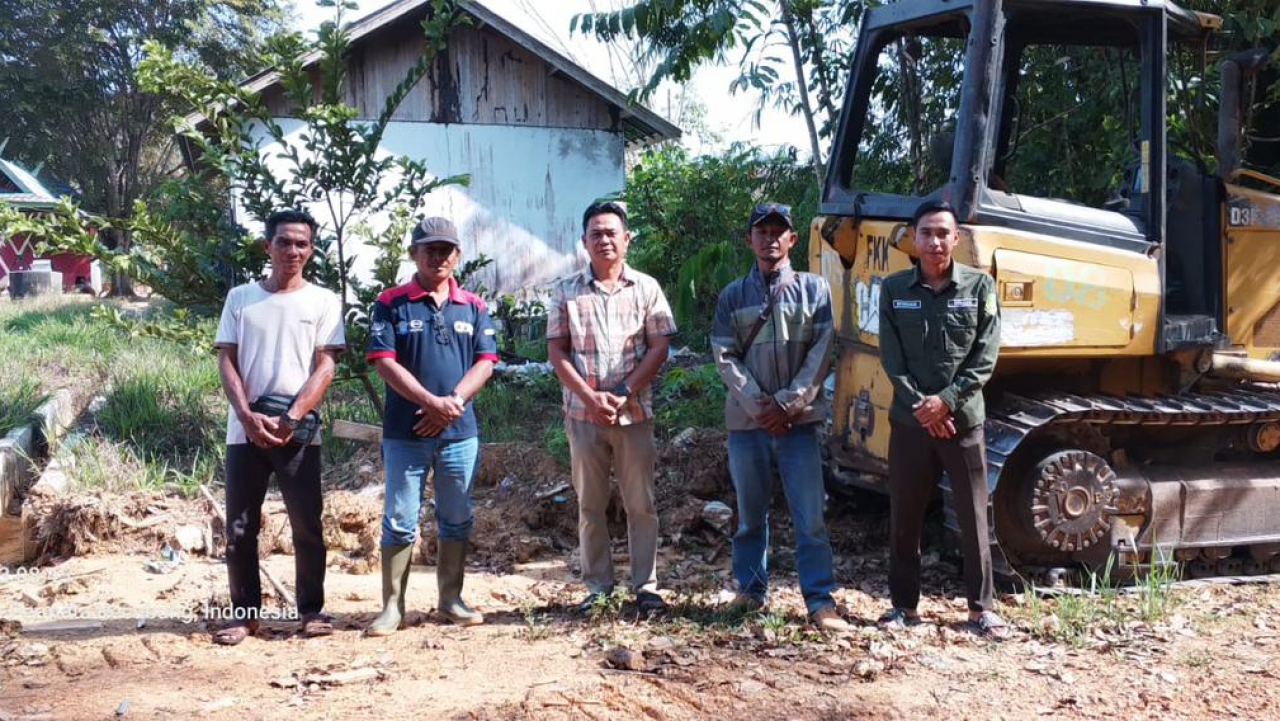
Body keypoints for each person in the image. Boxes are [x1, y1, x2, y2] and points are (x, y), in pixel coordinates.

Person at [710, 201, 849, 633]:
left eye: (778, 232)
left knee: (811, 517)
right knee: (750, 516)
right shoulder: (733, 296)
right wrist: (760, 405)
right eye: (762, 231)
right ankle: (751, 592)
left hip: (798, 425)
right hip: (747, 425)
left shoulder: (815, 290)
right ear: (749, 239)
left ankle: (820, 601)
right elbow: (724, 356)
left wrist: (789, 404)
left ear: (792, 239)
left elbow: (822, 352)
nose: (770, 239)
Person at [213, 208, 346, 645]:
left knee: (307, 524)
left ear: (311, 250)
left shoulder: (323, 301)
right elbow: (227, 360)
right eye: (284, 242)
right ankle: (245, 615)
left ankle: (311, 610)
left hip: (298, 433)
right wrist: (246, 416)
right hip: (245, 432)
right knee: (239, 528)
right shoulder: (240, 299)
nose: (293, 251)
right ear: (266, 246)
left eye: (302, 244)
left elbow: (326, 366)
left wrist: (292, 418)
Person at [877, 199, 1006, 639]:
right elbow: (892, 359)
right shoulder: (894, 289)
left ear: (956, 238)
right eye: (926, 232)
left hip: (963, 423)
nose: (934, 241)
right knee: (905, 517)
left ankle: (981, 610)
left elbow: (985, 356)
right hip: (910, 424)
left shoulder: (980, 287)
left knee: (974, 517)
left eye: (942, 233)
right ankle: (903, 607)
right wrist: (924, 407)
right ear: (914, 238)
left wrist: (946, 401)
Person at [365, 217, 499, 636]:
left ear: (457, 255)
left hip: (459, 434)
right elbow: (383, 361)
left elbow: (486, 361)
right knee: (399, 519)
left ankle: (451, 600)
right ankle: (392, 607)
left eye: (446, 250)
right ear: (413, 254)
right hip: (406, 433)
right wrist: (430, 403)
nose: (438, 257)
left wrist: (452, 403)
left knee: (456, 517)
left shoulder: (474, 306)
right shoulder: (390, 303)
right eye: (429, 249)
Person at [546, 200, 677, 616]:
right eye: (595, 234)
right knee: (590, 505)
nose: (604, 240)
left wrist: (622, 392)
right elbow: (557, 351)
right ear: (584, 242)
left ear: (627, 239)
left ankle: (646, 588)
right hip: (583, 417)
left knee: (641, 504)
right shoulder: (566, 291)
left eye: (611, 232)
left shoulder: (647, 288)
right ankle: (598, 588)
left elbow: (659, 347)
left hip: (633, 414)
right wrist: (590, 397)